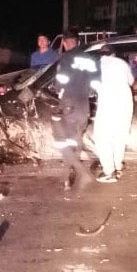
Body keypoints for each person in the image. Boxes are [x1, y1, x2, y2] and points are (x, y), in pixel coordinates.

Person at [52, 31, 99, 191]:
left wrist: (60, 91)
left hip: (68, 103)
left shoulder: (65, 58)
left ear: (65, 43)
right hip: (84, 105)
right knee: (75, 140)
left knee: (61, 140)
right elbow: (95, 85)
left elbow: (61, 82)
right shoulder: (91, 59)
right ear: (78, 42)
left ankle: (81, 171)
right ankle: (65, 179)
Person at [93, 46, 134, 183]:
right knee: (119, 136)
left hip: (108, 104)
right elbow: (131, 82)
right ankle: (117, 166)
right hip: (126, 104)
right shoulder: (123, 63)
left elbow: (93, 86)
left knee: (102, 138)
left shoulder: (97, 66)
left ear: (101, 54)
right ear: (114, 53)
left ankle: (109, 172)